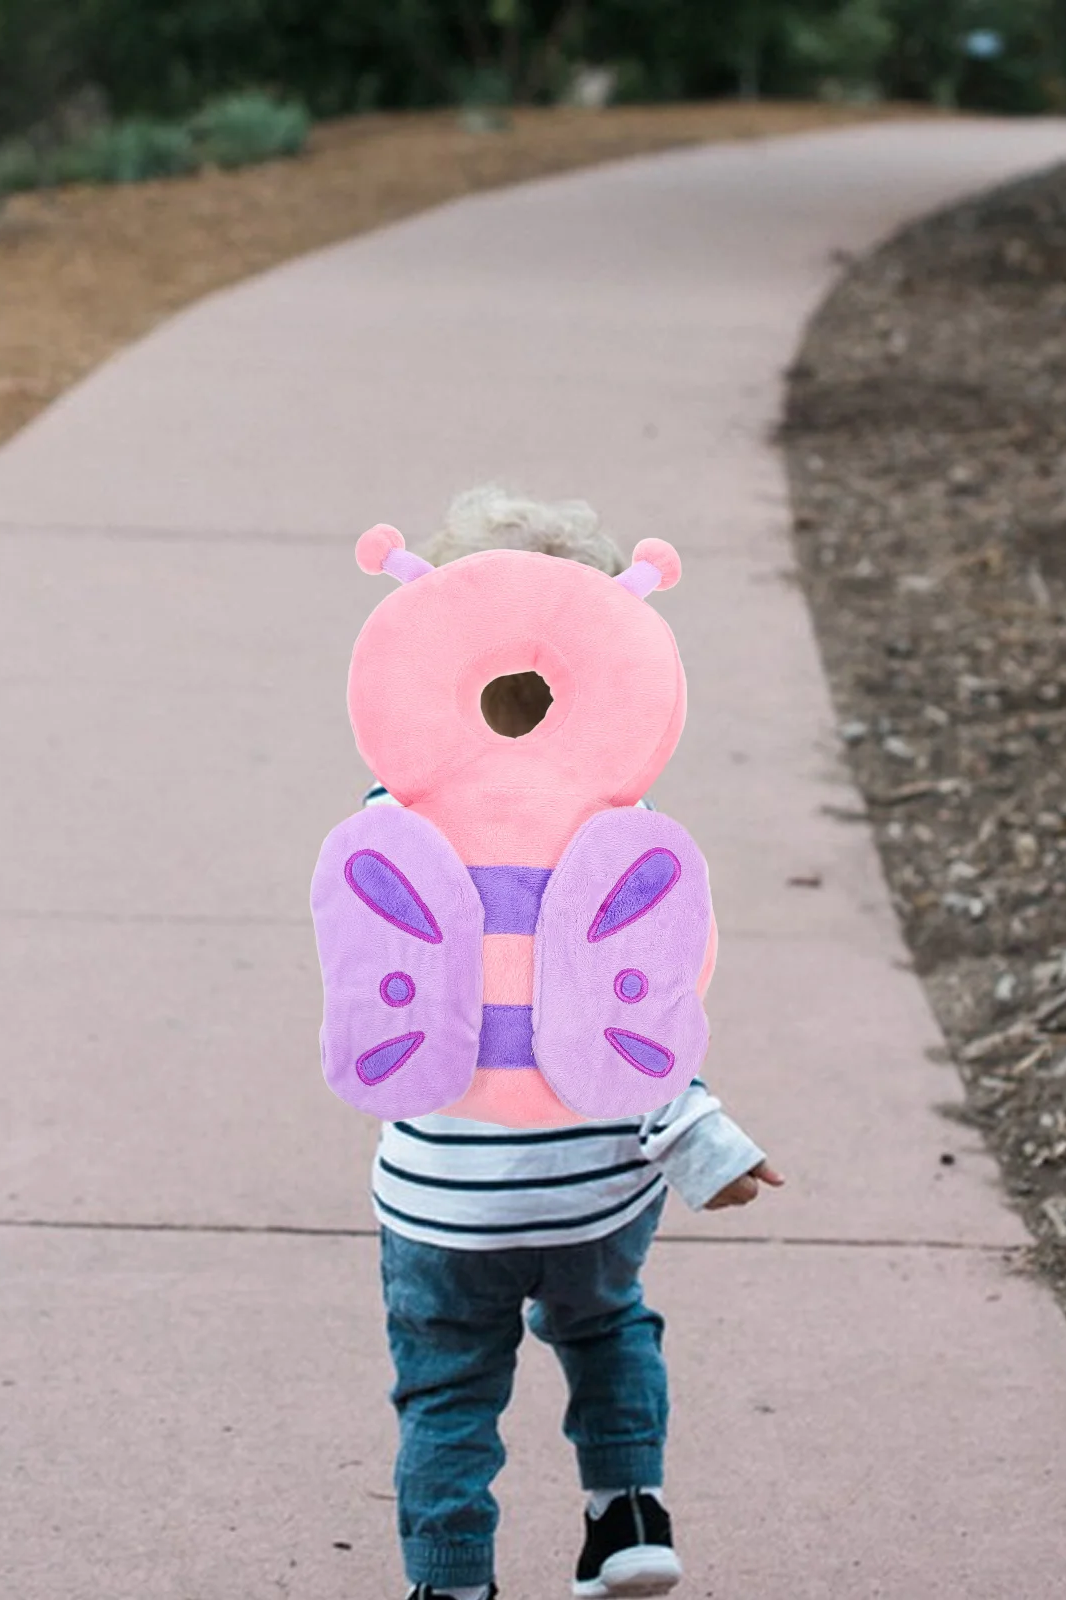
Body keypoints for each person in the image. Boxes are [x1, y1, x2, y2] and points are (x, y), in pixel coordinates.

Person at [364, 486, 784, 1600]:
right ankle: (626, 1513)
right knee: (604, 1324)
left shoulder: (387, 821)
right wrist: (698, 1137)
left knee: (448, 1386)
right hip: (596, 1171)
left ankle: (450, 1582)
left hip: (443, 1188)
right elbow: (645, 1006)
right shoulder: (625, 829)